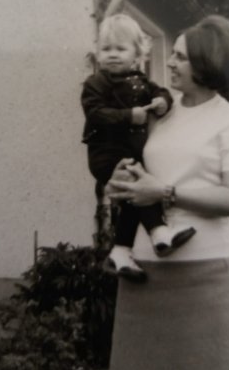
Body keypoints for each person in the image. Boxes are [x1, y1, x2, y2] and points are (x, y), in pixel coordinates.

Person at [106, 14, 229, 370]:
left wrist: (164, 192)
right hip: (142, 269)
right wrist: (121, 181)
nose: (170, 63)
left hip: (201, 272)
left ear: (206, 65)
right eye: (172, 54)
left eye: (180, 57)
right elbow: (140, 171)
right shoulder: (162, 112)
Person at [81, 14, 196, 282]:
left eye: (120, 49)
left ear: (137, 54)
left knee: (134, 196)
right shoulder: (95, 84)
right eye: (106, 49)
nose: (112, 55)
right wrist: (128, 116)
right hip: (105, 154)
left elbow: (161, 92)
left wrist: (162, 102)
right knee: (137, 186)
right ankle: (159, 232)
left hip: (130, 152)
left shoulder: (141, 81)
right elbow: (95, 113)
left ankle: (121, 251)